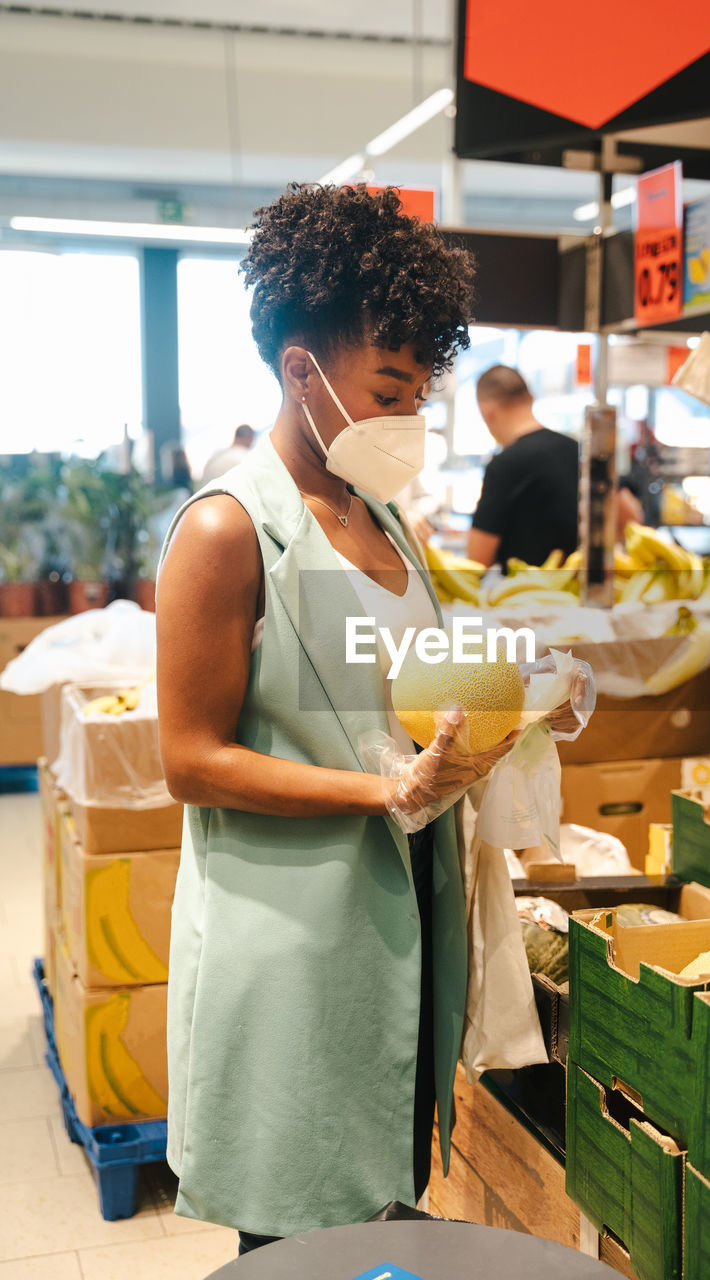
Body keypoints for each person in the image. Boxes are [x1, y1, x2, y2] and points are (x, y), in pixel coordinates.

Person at [155, 185, 584, 1257]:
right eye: (389, 385)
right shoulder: (224, 532)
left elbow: (401, 685)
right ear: (301, 368)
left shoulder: (381, 512)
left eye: (420, 387)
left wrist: (525, 695)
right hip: (294, 935)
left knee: (375, 1209)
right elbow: (190, 760)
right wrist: (384, 792)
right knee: (295, 1226)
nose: (410, 414)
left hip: (404, 918)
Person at [467, 366, 580, 571]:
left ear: (487, 411)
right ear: (530, 398)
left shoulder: (504, 465)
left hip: (522, 595)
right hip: (578, 591)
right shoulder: (578, 450)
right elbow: (629, 516)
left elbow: (477, 559)